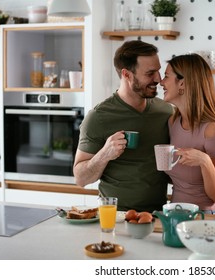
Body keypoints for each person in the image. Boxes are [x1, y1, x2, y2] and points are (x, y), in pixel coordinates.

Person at [73, 40, 173, 212]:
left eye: (158, 71)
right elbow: (81, 179)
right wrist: (104, 154)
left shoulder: (166, 111)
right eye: (150, 73)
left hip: (157, 215)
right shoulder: (98, 117)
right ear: (127, 74)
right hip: (115, 216)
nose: (158, 79)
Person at [159, 53, 215, 214]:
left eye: (166, 76)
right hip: (174, 214)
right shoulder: (173, 122)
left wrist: (204, 161)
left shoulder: (212, 130)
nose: (161, 82)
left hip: (204, 218)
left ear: (182, 83)